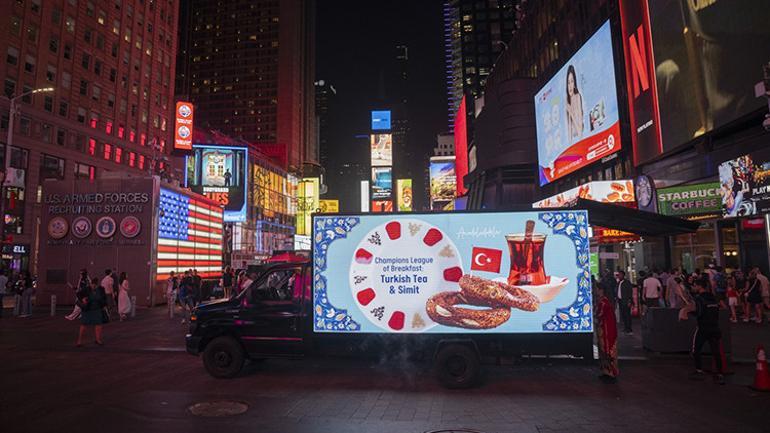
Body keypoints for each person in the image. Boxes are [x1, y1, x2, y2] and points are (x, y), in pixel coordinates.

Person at [679, 277, 725, 384]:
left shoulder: (699, 299)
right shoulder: (713, 297)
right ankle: (720, 373)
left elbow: (698, 312)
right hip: (714, 327)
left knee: (696, 350)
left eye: (695, 285)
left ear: (700, 286)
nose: (694, 287)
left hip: (703, 327)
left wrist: (687, 311)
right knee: (716, 351)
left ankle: (699, 370)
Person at [594, 282, 618, 383]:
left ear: (601, 290)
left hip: (607, 331)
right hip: (603, 330)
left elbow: (598, 314)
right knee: (603, 350)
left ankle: (611, 372)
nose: (595, 291)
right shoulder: (602, 301)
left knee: (607, 350)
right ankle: (606, 371)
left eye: (597, 289)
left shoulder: (604, 302)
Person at [76, 277, 107, 347]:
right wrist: (83, 299)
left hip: (97, 309)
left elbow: (104, 298)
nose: (93, 286)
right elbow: (78, 294)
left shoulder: (101, 289)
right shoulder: (86, 289)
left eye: (94, 285)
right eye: (92, 285)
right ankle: (79, 341)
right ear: (90, 284)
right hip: (88, 309)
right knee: (84, 325)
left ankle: (98, 339)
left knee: (98, 324)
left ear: (97, 285)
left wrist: (104, 305)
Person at [565, 64, 584, 139]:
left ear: (574, 83)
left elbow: (580, 132)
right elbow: (569, 136)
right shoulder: (567, 101)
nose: (570, 85)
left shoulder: (578, 97)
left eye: (572, 81)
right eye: (568, 82)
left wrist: (571, 112)